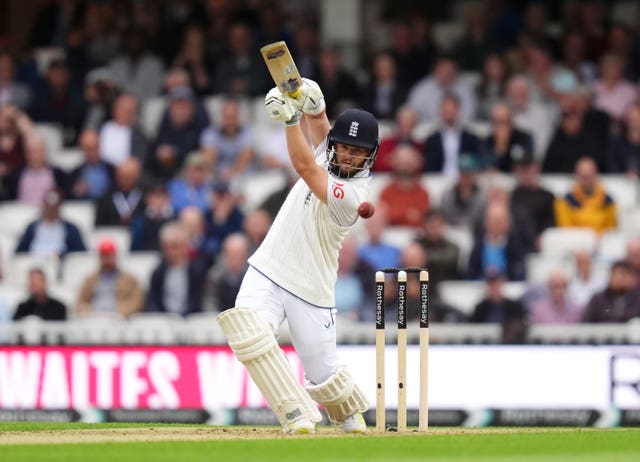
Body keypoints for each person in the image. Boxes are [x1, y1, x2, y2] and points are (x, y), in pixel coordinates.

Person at [218, 78, 377, 435]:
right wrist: (311, 101)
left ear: (370, 154)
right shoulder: (328, 151)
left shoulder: (352, 195)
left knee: (325, 378)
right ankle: (296, 414)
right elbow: (319, 125)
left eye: (358, 151)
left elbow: (305, 167)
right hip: (268, 267)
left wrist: (291, 120)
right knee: (247, 331)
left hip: (311, 287)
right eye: (344, 147)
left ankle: (349, 411)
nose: (349, 155)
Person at [145, 221, 206, 316]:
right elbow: (153, 302)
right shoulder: (158, 273)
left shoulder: (197, 271)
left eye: (175, 246)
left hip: (191, 322)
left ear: (185, 245)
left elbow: (199, 302)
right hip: (164, 322)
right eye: (166, 246)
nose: (170, 251)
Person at [75, 238, 144, 317]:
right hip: (94, 318)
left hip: (119, 320)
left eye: (109, 256)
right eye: (103, 256)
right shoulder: (90, 279)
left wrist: (118, 312)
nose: (106, 260)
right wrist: (90, 312)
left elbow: (137, 302)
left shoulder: (130, 279)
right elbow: (79, 303)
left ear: (115, 256)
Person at [15, 189, 86, 257]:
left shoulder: (71, 229)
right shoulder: (32, 227)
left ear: (60, 205)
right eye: (48, 205)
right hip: (35, 262)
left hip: (60, 264)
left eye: (54, 206)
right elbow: (20, 252)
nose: (51, 209)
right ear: (44, 205)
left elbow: (80, 253)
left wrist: (63, 255)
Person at [554, 157, 617, 234]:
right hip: (575, 243)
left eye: (589, 176)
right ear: (577, 175)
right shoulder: (565, 202)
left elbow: (611, 229)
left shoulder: (608, 201)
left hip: (601, 243)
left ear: (596, 174)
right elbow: (565, 229)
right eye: (584, 176)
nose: (587, 180)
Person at [377, 144, 430, 227]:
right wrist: (408, 214)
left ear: (416, 164)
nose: (405, 167)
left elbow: (424, 219)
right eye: (401, 163)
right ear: (394, 163)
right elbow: (383, 217)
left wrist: (396, 213)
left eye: (408, 163)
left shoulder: (423, 193)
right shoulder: (386, 192)